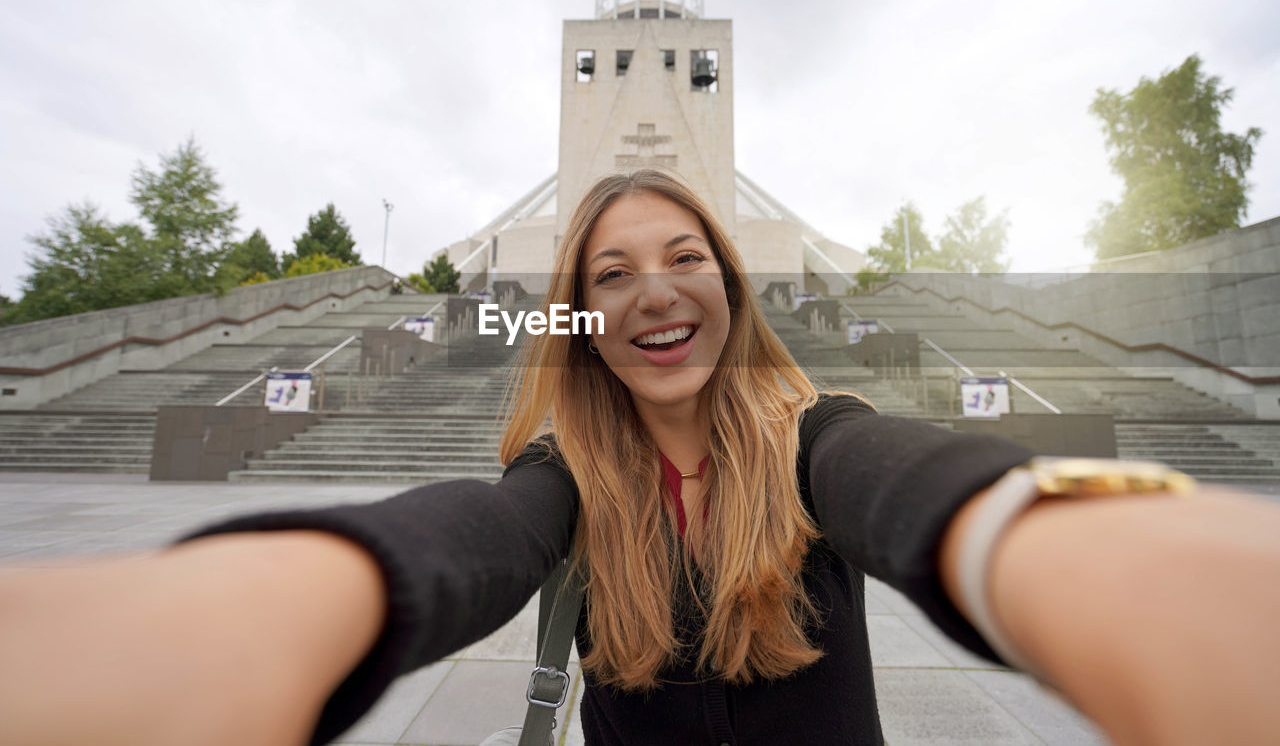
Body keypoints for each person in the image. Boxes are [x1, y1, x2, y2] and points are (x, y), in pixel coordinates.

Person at [1, 169, 1279, 746]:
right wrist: (265, 608)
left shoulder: (812, 439)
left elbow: (907, 481)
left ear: (728, 285)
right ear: (572, 316)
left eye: (681, 260)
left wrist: (1063, 537)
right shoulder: (563, 478)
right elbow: (475, 539)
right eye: (607, 273)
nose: (649, 292)